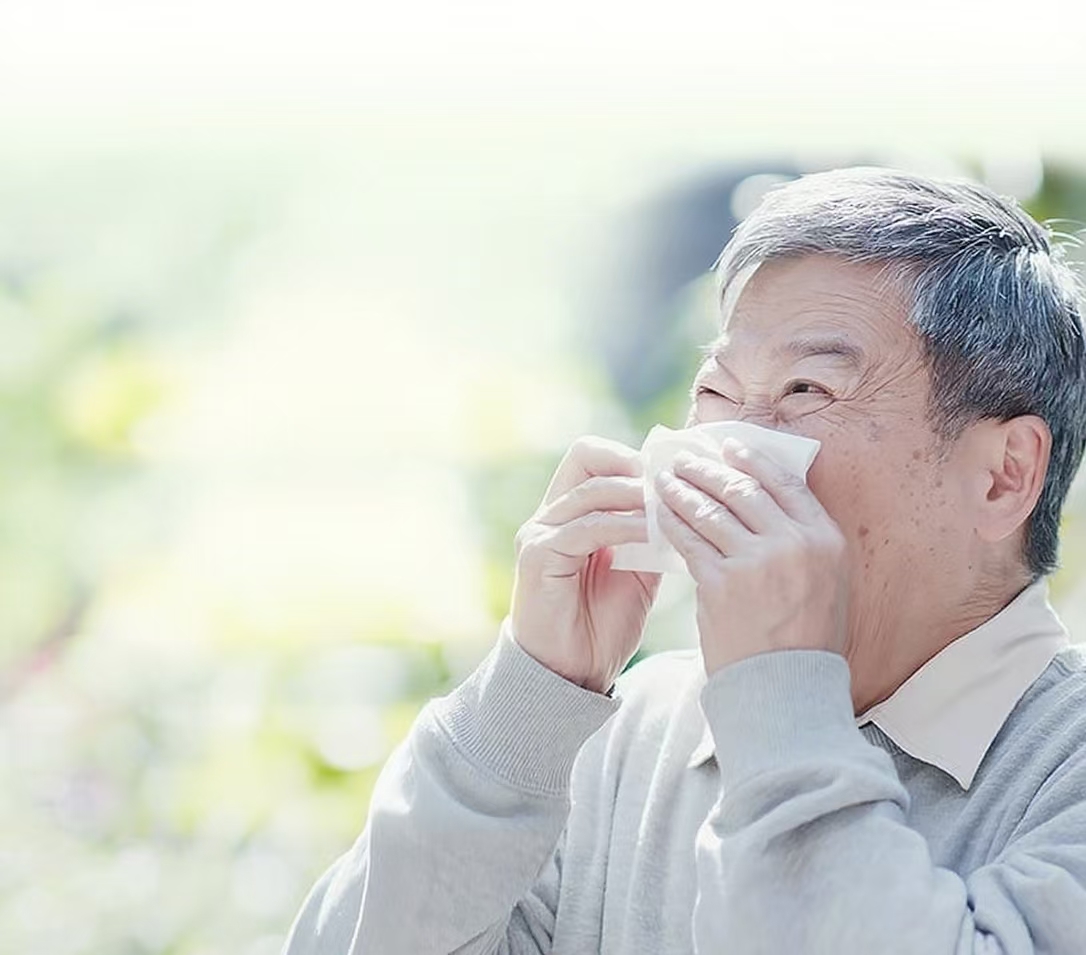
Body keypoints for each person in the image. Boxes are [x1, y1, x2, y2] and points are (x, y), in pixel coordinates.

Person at [282, 167, 1086, 954]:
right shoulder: (637, 726)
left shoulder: (1064, 767)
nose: (729, 449)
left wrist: (781, 700)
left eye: (807, 390)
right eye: (716, 393)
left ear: (1004, 473)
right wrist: (530, 693)